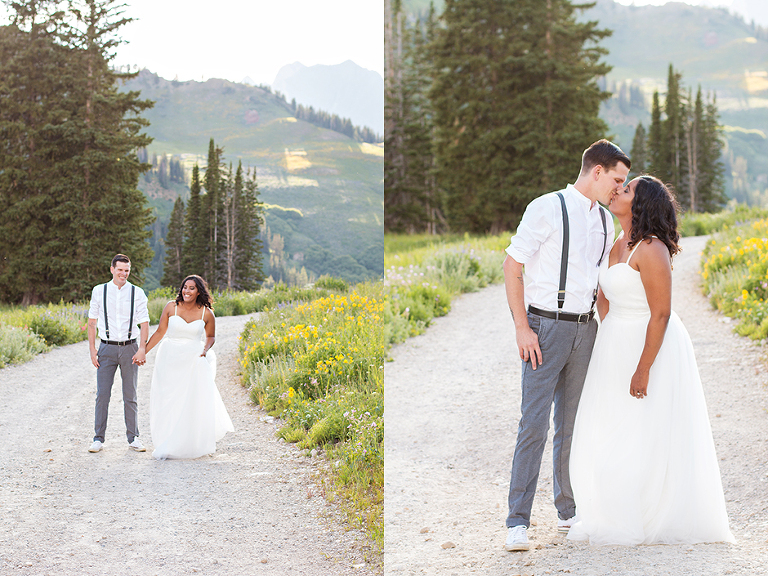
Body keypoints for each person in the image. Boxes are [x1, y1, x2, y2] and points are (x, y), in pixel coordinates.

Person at [567, 176, 734, 545]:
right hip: (616, 342)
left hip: (652, 345)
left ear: (641, 204)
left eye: (626, 189)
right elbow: (605, 294)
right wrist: (613, 335)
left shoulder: (652, 248)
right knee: (613, 424)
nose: (618, 190)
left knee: (649, 425)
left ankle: (653, 512)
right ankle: (613, 506)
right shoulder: (615, 243)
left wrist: (642, 367)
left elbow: (661, 313)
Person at [503, 139, 631, 552]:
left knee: (573, 424)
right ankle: (517, 521)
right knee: (534, 424)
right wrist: (523, 328)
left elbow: (604, 285)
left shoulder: (607, 223)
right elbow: (512, 264)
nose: (618, 188)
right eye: (616, 180)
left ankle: (568, 510)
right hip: (545, 327)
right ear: (597, 172)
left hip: (586, 329)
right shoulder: (546, 206)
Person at [144, 274, 234, 460]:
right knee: (168, 400)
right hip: (169, 359)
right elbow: (160, 332)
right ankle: (167, 441)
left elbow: (210, 337)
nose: (187, 291)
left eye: (191, 288)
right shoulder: (171, 307)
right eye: (185, 287)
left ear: (199, 291)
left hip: (193, 360)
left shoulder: (206, 313)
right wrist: (142, 352)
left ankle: (187, 443)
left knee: (189, 401)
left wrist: (205, 349)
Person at [87, 254, 150, 453]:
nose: (123, 274)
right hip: (106, 347)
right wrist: (92, 349)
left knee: (130, 394)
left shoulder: (137, 292)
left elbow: (145, 323)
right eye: (120, 269)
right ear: (112, 269)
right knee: (102, 394)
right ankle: (98, 438)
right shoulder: (99, 291)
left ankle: (133, 437)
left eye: (127, 270)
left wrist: (142, 348)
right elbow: (91, 322)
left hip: (131, 347)